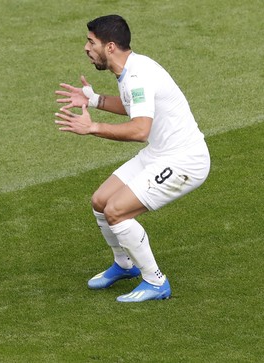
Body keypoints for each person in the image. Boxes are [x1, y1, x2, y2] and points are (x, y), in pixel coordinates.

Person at [54, 15, 210, 302]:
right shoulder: (130, 69)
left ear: (110, 46)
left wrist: (92, 128)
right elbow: (134, 107)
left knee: (116, 211)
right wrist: (93, 100)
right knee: (100, 201)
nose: (86, 48)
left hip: (185, 160)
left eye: (91, 42)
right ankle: (125, 265)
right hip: (161, 153)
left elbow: (140, 129)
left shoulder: (137, 75)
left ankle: (155, 281)